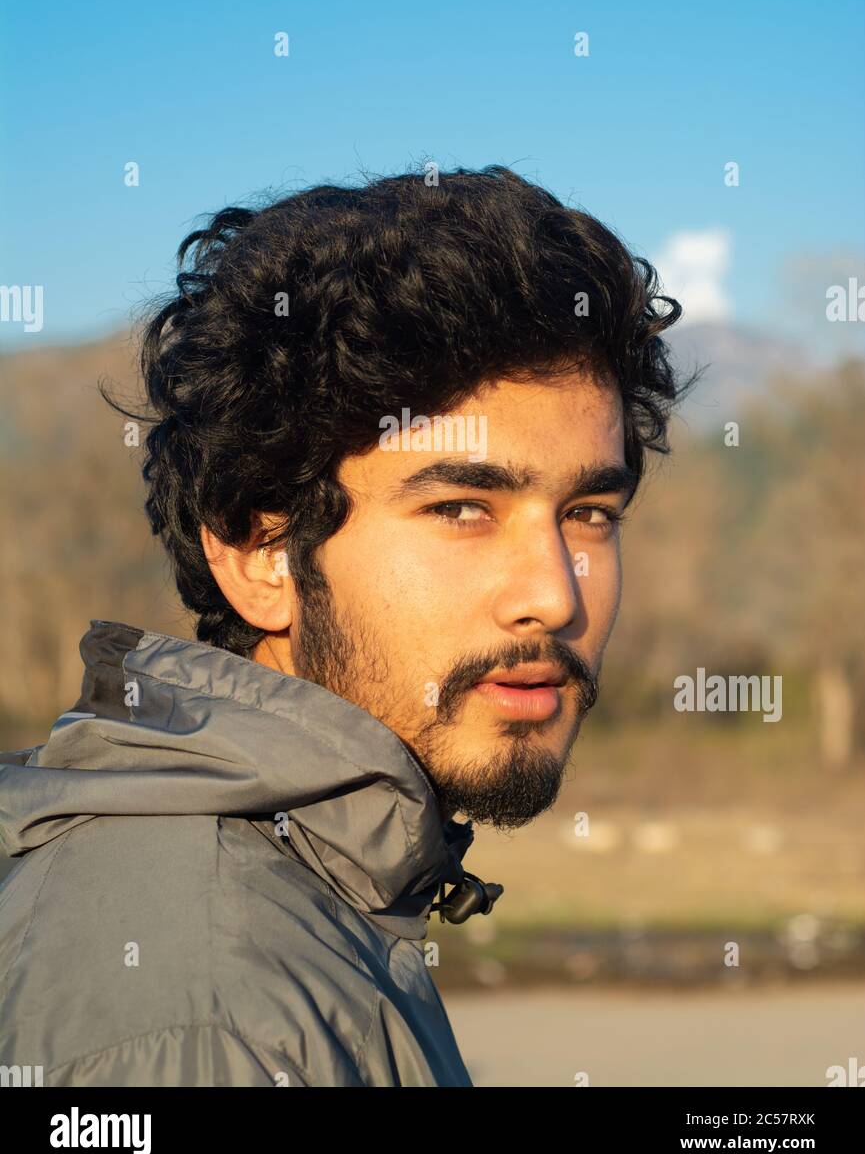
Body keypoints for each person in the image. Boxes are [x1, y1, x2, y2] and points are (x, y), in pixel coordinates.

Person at [0, 165, 685, 1086]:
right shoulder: (210, 1016)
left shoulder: (309, 907)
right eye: (459, 510)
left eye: (589, 513)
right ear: (260, 555)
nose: (555, 596)